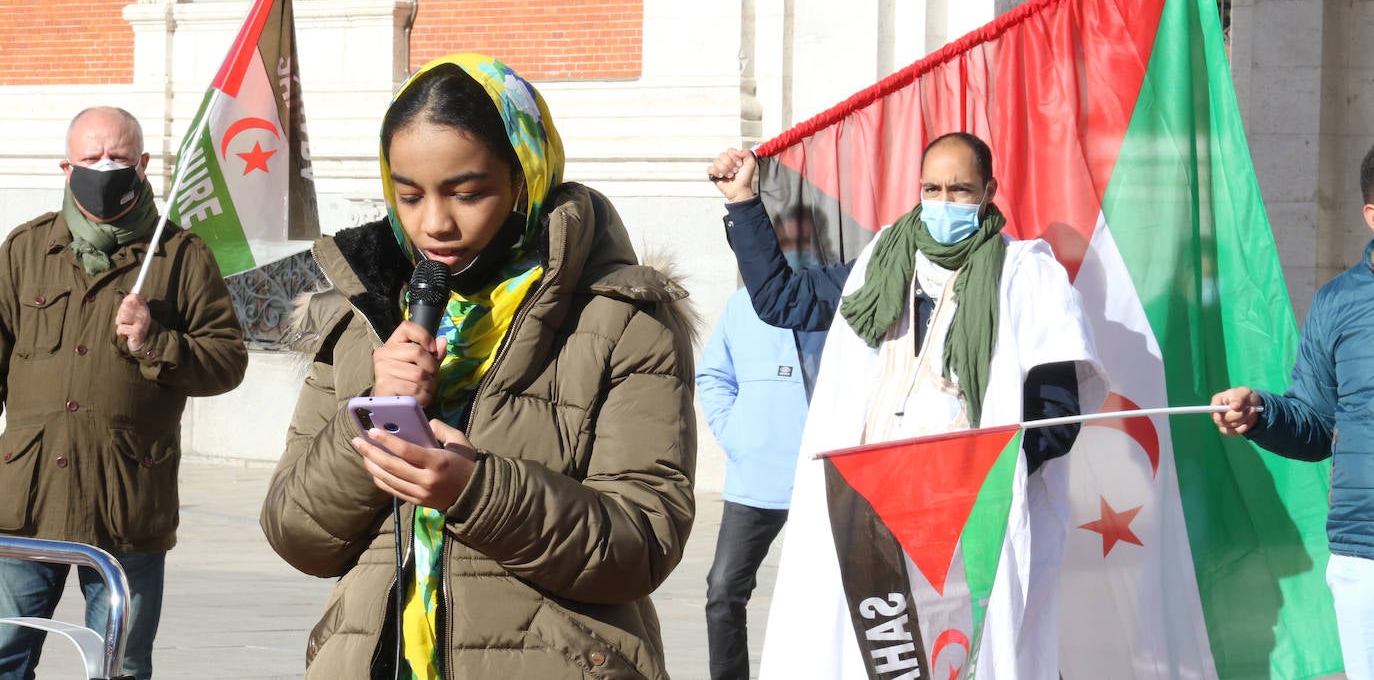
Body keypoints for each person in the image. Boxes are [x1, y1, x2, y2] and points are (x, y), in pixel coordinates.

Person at [260, 54, 698, 679]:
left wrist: (475, 490)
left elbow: (643, 541)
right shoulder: (364, 316)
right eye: (409, 196)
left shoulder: (622, 317)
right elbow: (296, 533)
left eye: (467, 193)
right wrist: (372, 411)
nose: (434, 223)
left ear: (524, 178)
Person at [707, 133, 1107, 677]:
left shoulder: (1027, 278)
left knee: (970, 656)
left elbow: (1057, 415)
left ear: (989, 191)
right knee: (877, 654)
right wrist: (743, 202)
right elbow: (783, 299)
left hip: (974, 517)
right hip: (876, 504)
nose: (943, 202)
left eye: (959, 189)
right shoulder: (880, 268)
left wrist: (974, 476)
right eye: (932, 188)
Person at [0, 106, 248, 680]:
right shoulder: (25, 250)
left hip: (126, 503)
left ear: (143, 164)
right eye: (90, 159)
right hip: (28, 500)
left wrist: (154, 340)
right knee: (6, 654)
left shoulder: (182, 257)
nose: (104, 168)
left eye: (117, 157)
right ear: (67, 167)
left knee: (123, 664)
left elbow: (228, 362)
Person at [1210, 142, 1374, 680]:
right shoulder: (1338, 304)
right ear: (1371, 214)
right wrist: (1260, 412)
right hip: (1365, 554)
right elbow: (1312, 423)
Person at [697, 283, 809, 679]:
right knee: (723, 592)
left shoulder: (829, 295)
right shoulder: (740, 305)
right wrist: (735, 434)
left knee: (825, 596)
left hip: (820, 475)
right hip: (754, 478)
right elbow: (712, 375)